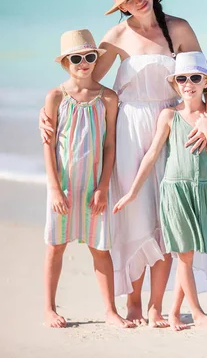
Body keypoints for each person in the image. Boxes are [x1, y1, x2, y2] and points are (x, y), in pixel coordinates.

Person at [39, 0, 207, 328]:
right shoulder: (116, 36)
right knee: (135, 214)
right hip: (129, 130)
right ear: (121, 6)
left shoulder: (180, 28)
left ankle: (157, 306)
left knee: (167, 217)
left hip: (173, 126)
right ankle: (135, 302)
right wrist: (48, 111)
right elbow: (85, 79)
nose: (137, 1)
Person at [114, 51, 207, 331]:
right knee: (185, 255)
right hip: (176, 192)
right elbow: (152, 155)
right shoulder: (169, 115)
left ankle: (175, 313)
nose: (188, 83)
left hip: (206, 191)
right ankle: (198, 314)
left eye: (195, 77)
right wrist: (131, 192)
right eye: (182, 79)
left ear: (206, 82)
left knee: (189, 255)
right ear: (175, 84)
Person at [43, 29, 133, 329]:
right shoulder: (56, 96)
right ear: (65, 63)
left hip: (95, 186)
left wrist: (104, 187)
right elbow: (48, 144)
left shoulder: (108, 97)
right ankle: (48, 308)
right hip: (65, 185)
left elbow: (110, 144)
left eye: (89, 57)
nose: (84, 63)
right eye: (76, 58)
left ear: (96, 59)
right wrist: (55, 188)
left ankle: (110, 310)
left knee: (100, 248)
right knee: (56, 246)